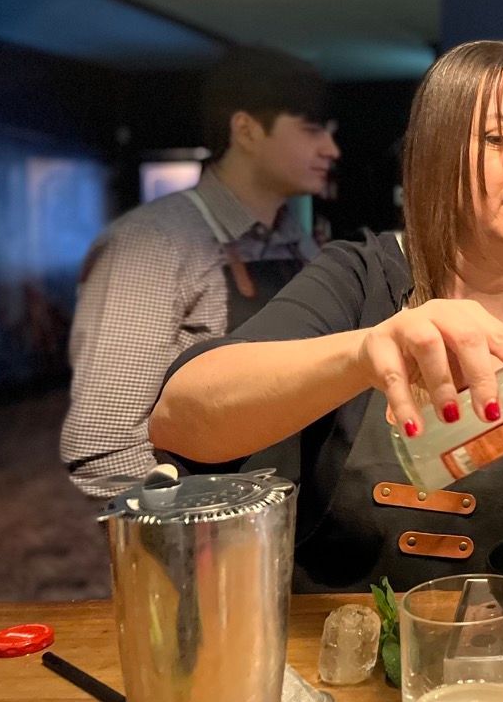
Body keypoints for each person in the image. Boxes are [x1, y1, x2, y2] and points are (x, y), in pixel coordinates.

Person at [151, 41, 503, 592]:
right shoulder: (361, 279)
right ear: (438, 155)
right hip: (370, 639)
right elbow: (180, 417)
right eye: (498, 137)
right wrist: (364, 354)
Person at [61, 45, 340, 500]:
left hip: (300, 519)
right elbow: (104, 447)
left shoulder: (297, 241)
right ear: (246, 130)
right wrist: (207, 529)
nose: (331, 149)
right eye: (312, 130)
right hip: (223, 528)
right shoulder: (153, 242)